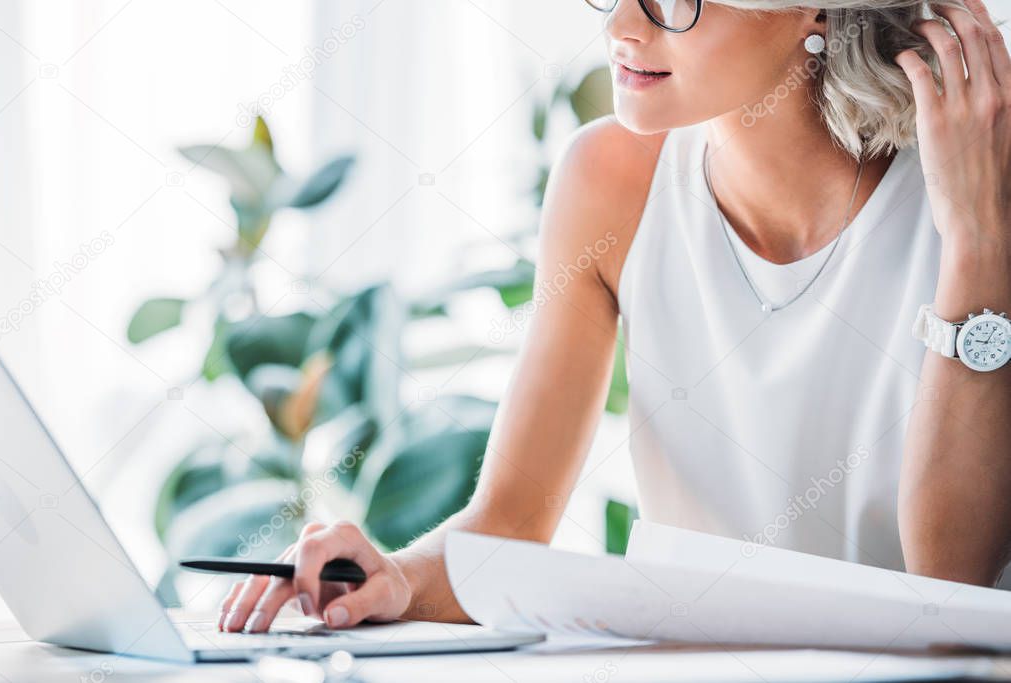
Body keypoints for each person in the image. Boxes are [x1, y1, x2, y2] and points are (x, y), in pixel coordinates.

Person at [220, 0, 1011, 634]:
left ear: (812, 11)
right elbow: (511, 521)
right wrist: (393, 577)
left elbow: (949, 595)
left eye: (676, 1)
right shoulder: (609, 179)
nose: (622, 29)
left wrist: (976, 242)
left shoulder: (974, 187)